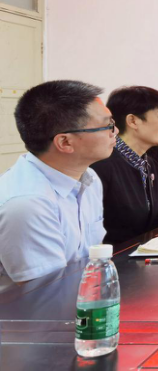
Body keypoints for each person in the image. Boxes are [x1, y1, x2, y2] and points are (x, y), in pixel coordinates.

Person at [0, 80, 115, 288]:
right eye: (107, 125)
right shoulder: (27, 203)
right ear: (65, 142)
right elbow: (44, 295)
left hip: (81, 297)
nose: (114, 132)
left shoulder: (88, 179)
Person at [91, 86, 158, 245]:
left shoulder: (149, 164)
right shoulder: (102, 165)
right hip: (115, 258)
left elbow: (155, 219)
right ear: (133, 121)